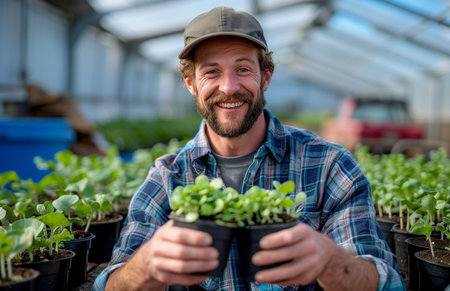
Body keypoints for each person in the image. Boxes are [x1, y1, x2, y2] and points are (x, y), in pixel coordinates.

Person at [93, 6, 404, 291]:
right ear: (190, 84)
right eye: (211, 72)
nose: (229, 87)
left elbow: (387, 282)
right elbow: (110, 283)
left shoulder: (330, 166)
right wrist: (145, 265)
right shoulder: (168, 176)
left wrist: (331, 260)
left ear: (265, 77)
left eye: (243, 69)